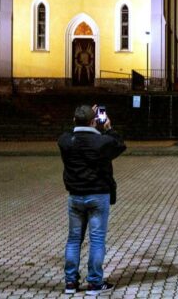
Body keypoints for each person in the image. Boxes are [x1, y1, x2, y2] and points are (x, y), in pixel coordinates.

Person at [58, 105, 126, 296]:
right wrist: (108, 128)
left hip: (75, 196)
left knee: (73, 240)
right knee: (96, 240)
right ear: (94, 121)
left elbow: (70, 133)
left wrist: (82, 120)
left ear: (74, 121)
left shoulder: (66, 141)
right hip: (97, 195)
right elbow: (119, 144)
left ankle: (71, 283)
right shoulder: (101, 142)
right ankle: (95, 283)